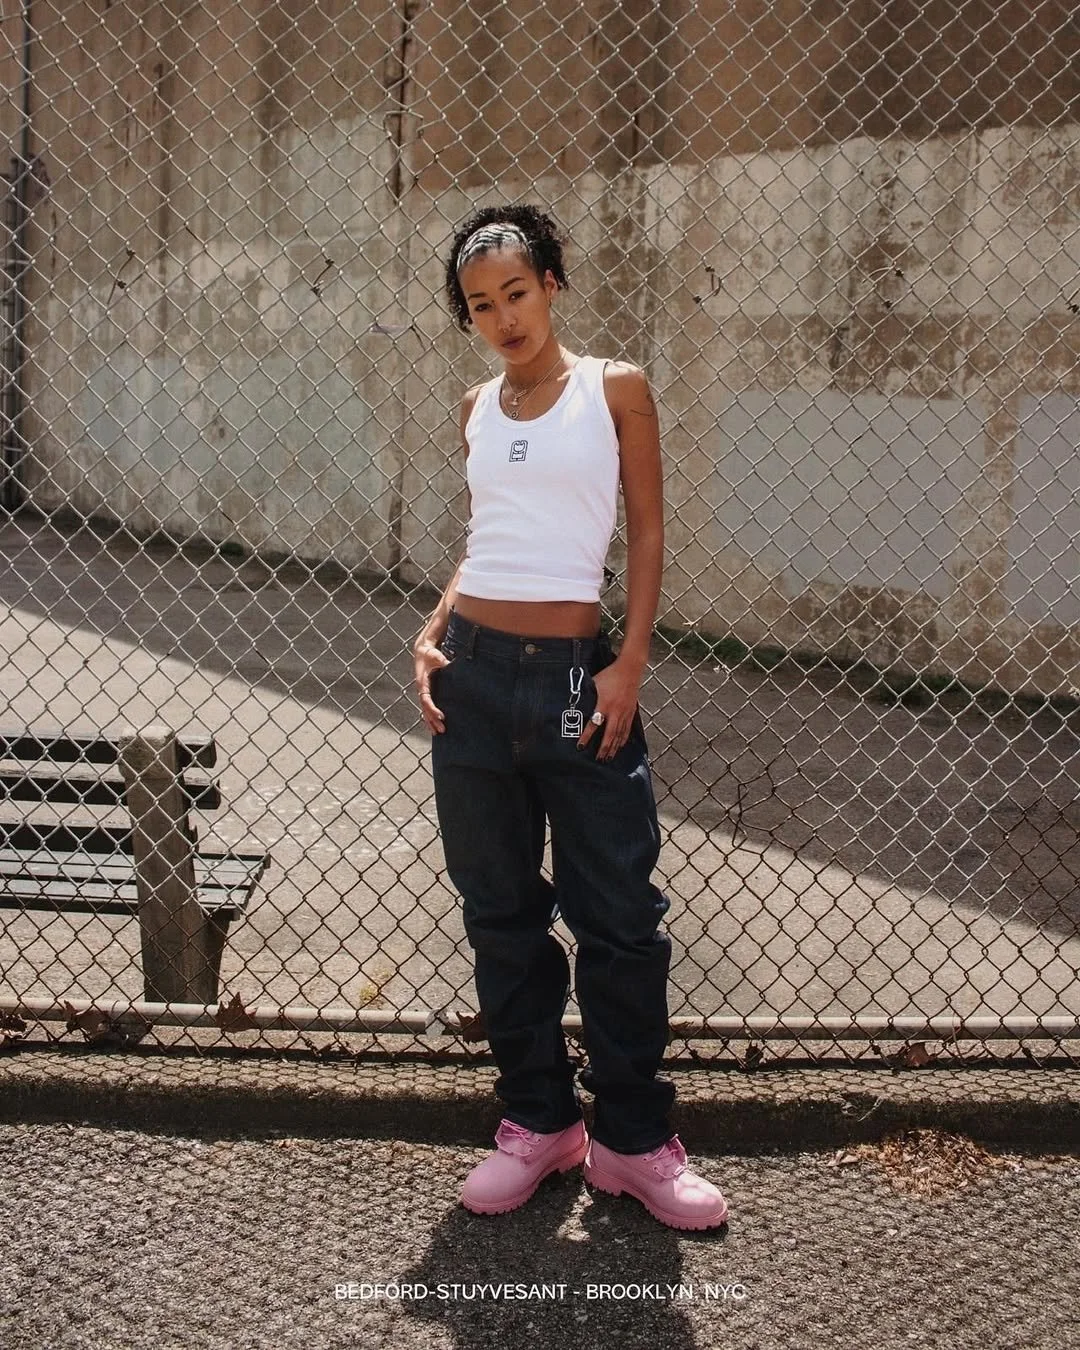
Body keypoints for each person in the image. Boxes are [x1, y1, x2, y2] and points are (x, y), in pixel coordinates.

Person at [412, 204, 727, 1231]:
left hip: (578, 679)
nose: (501, 316)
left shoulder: (615, 388)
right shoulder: (475, 408)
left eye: (515, 291)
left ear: (553, 281)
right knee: (500, 914)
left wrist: (630, 661)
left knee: (620, 920)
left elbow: (645, 529)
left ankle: (635, 1140)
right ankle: (540, 1123)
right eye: (479, 304)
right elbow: (485, 537)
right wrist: (435, 626)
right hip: (471, 676)